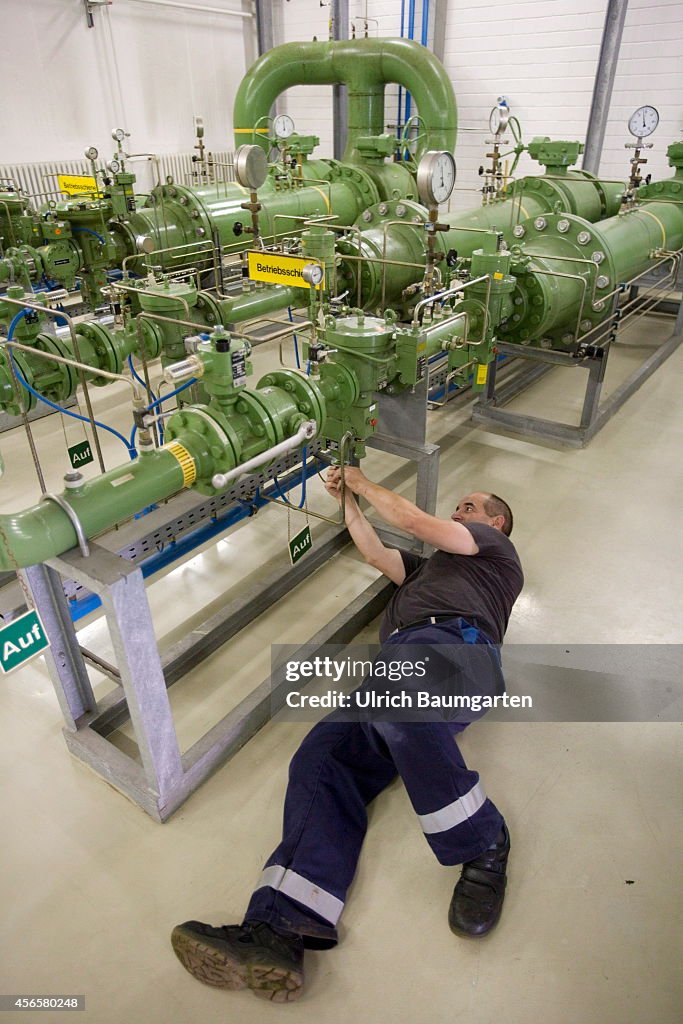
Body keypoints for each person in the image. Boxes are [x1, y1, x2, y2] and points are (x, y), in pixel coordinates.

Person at [171, 468, 524, 1003]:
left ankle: (484, 841)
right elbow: (378, 552)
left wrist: (362, 480)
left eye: (468, 508)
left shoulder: (495, 554)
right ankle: (283, 926)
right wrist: (349, 505)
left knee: (398, 709)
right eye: (458, 508)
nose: (458, 513)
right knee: (320, 761)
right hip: (397, 667)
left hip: (457, 649)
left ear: (495, 522)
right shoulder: (431, 571)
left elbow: (409, 519)